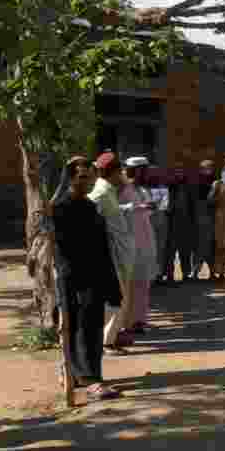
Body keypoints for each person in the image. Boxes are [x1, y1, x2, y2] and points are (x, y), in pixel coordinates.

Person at [54, 156, 124, 399]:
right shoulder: (61, 208)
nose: (87, 182)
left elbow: (101, 246)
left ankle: (85, 373)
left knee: (91, 328)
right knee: (80, 328)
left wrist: (110, 281)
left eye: (90, 177)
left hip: (95, 276)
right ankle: (89, 379)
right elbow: (63, 250)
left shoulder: (89, 206)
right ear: (71, 178)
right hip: (75, 279)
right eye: (82, 177)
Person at [89, 152, 136, 353]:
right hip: (112, 253)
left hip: (120, 250)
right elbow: (91, 215)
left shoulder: (108, 190)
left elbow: (111, 213)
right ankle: (107, 341)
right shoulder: (100, 192)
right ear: (114, 172)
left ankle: (111, 336)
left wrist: (130, 207)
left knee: (121, 296)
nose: (124, 174)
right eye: (121, 171)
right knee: (116, 298)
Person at [121, 157, 157, 333]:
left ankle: (140, 321)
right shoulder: (121, 188)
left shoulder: (142, 189)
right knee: (129, 285)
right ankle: (125, 323)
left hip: (145, 242)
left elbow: (144, 211)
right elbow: (114, 209)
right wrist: (135, 208)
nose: (147, 174)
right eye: (144, 170)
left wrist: (149, 207)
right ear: (136, 171)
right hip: (128, 243)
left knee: (143, 283)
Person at [165, 164, 197, 285]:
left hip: (186, 222)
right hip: (172, 223)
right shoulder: (169, 186)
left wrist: (192, 222)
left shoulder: (189, 187)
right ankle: (169, 275)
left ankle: (186, 274)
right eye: (177, 171)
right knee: (170, 251)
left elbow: (192, 206)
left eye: (181, 171)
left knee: (185, 251)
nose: (179, 174)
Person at [192, 160, 217, 280]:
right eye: (205, 168)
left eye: (210, 168)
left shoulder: (216, 181)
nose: (208, 170)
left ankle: (212, 272)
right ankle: (195, 272)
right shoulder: (196, 182)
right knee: (200, 245)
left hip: (213, 217)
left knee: (212, 245)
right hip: (201, 216)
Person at [147, 166, 170, 285]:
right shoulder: (143, 187)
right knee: (149, 248)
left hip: (160, 219)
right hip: (147, 220)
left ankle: (159, 275)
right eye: (151, 172)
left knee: (160, 248)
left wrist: (154, 205)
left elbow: (165, 204)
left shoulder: (162, 187)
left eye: (156, 172)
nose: (154, 175)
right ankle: (149, 276)